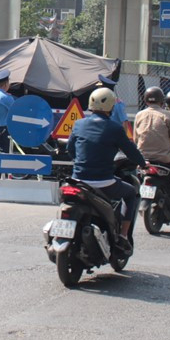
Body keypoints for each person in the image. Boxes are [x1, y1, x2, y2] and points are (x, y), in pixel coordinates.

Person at [66, 87, 146, 256]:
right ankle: (123, 235)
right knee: (131, 193)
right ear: (111, 106)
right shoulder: (115, 128)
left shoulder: (79, 124)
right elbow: (131, 151)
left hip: (77, 180)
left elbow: (70, 149)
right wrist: (143, 164)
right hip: (103, 181)